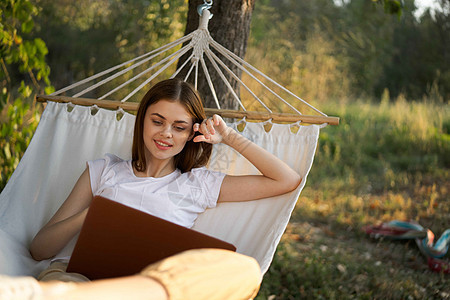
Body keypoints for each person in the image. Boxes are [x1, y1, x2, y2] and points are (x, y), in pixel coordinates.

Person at [25, 78, 301, 298]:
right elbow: (40, 249)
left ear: (191, 133)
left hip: (148, 287)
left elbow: (286, 180)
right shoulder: (103, 171)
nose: (166, 133)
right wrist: (94, 215)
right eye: (157, 121)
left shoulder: (197, 184)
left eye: (179, 127)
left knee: (244, 270)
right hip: (77, 279)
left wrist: (229, 137)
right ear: (142, 120)